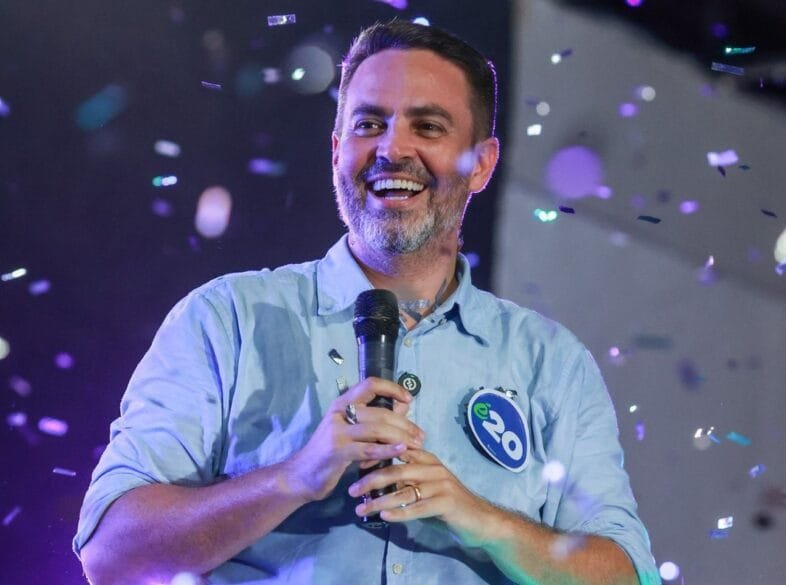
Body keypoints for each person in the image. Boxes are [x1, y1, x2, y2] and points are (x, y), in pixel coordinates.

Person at [75, 20, 659, 585]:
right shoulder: (228, 319)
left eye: (428, 127)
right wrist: (294, 478)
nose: (393, 148)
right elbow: (111, 555)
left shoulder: (550, 363)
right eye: (369, 124)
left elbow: (628, 578)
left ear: (481, 164)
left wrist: (479, 519)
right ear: (336, 150)